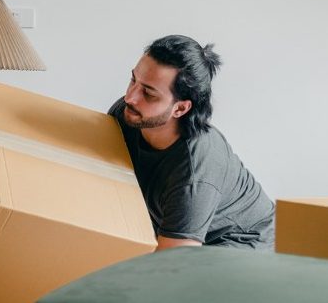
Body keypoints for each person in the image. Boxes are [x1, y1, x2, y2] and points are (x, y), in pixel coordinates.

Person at [108, 35, 275, 251]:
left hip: (243, 244)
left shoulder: (194, 173)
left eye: (148, 93)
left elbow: (174, 264)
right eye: (133, 80)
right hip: (184, 230)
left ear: (180, 109)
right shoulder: (129, 114)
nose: (130, 97)